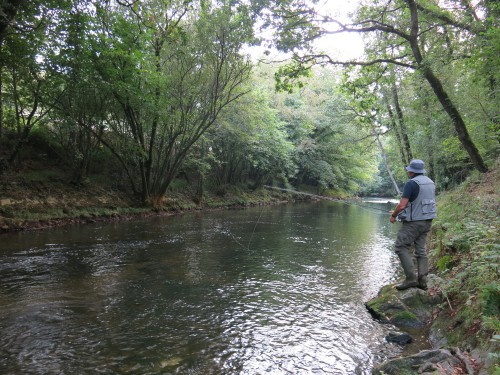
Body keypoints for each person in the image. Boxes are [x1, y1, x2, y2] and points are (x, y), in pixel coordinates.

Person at [390, 159, 437, 290]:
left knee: (400, 247)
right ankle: (423, 282)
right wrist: (401, 212)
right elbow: (418, 202)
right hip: (427, 221)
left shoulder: (411, 183)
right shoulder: (430, 182)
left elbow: (402, 205)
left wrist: (394, 215)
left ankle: (411, 279)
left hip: (414, 223)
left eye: (409, 170)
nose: (408, 171)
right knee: (421, 251)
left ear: (411, 172)